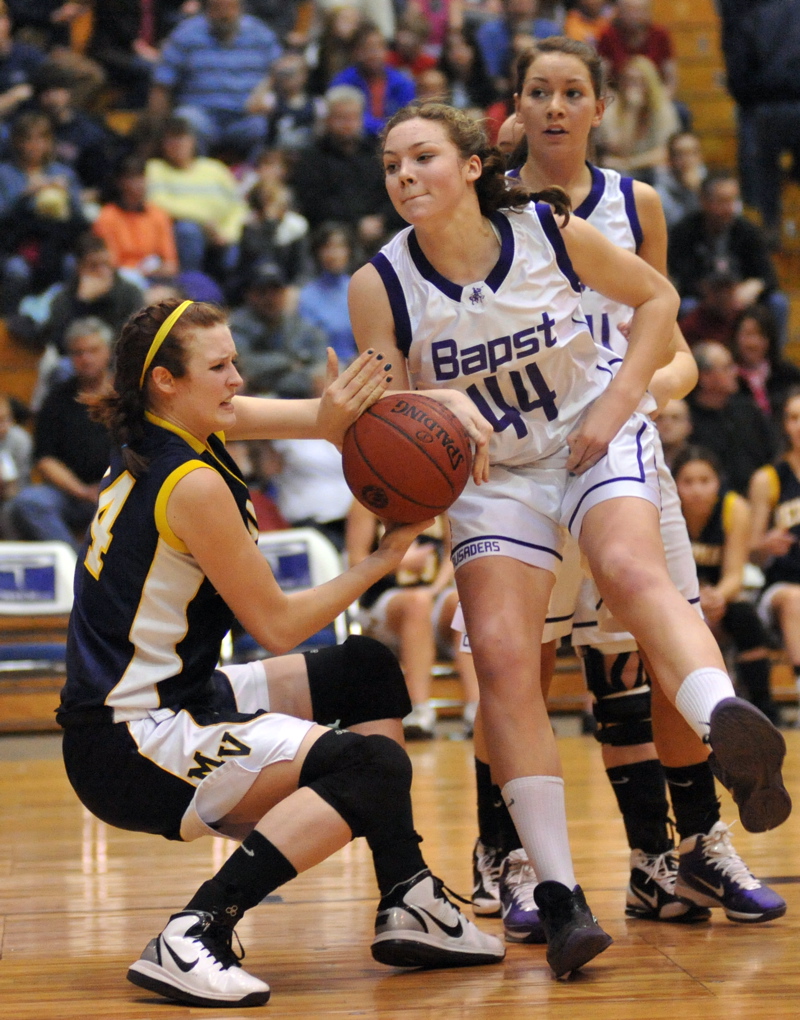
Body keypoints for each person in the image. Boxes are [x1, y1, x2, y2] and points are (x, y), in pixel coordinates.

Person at [349, 96, 790, 977]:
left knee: (629, 568)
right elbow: (385, 404)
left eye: (422, 158)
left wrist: (623, 403)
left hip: (594, 429)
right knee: (507, 660)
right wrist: (444, 404)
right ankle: (559, 893)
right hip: (494, 475)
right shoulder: (381, 284)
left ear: (472, 166)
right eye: (393, 164)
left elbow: (659, 300)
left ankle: (724, 724)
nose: (405, 176)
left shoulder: (550, 235)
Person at [56, 298, 505, 1010]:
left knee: (366, 670)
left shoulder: (181, 425)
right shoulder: (193, 483)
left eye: (236, 360)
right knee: (371, 764)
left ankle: (408, 895)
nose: (238, 377)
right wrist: (381, 560)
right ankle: (196, 930)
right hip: (133, 742)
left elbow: (324, 421)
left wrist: (434, 399)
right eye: (221, 365)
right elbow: (279, 624)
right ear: (167, 382)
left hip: (179, 694)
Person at [469, 37, 783, 938]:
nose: (557, 107)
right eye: (539, 93)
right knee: (515, 667)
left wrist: (649, 388)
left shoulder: (635, 202)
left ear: (604, 106)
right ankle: (510, 856)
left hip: (617, 447)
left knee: (655, 647)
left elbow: (666, 332)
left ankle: (692, 851)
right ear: (517, 105)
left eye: (574, 92)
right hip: (520, 457)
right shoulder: (488, 198)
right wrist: (494, 153)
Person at [674, 445, 779, 723]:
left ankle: (763, 707)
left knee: (745, 617)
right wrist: (695, 602)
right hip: (677, 600)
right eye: (688, 482)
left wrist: (715, 598)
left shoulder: (734, 508)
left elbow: (735, 574)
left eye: (705, 481)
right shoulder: (665, 512)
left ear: (718, 483)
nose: (697, 490)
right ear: (674, 484)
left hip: (719, 597)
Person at [6, 317, 112, 551]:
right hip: (70, 493)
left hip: (118, 490)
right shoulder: (56, 399)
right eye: (78, 353)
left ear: (108, 351)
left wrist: (109, 488)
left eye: (93, 350)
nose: (86, 359)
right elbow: (44, 458)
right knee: (29, 502)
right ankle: (74, 564)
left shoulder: (128, 397)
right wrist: (82, 491)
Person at [668, 171, 789, 347]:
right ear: (704, 201)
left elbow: (768, 277)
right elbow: (680, 276)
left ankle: (773, 364)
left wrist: (753, 287)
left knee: (778, 303)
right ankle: (692, 361)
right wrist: (713, 295)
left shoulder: (749, 231)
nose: (729, 208)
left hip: (740, 299)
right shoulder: (684, 231)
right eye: (722, 201)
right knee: (686, 305)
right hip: (703, 300)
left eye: (733, 200)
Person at [148, 0, 282, 156]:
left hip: (245, 117)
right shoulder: (185, 35)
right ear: (207, 10)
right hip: (201, 115)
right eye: (217, 8)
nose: (224, 15)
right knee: (186, 120)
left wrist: (267, 98)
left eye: (230, 8)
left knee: (262, 126)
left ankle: (252, 176)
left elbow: (280, 71)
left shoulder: (261, 35)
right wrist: (155, 128)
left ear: (240, 9)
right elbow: (162, 83)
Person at [291, 85, 399, 252]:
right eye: (340, 118)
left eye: (352, 118)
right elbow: (313, 203)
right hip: (335, 229)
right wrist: (357, 223)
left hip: (381, 226)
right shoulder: (312, 156)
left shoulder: (381, 152)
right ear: (327, 120)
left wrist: (381, 220)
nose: (347, 125)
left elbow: (396, 190)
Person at [749, 387, 800, 714]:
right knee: (795, 598)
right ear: (784, 425)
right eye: (795, 418)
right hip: (779, 587)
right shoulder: (768, 479)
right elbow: (749, 549)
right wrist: (765, 544)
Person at [145, 116, 247, 277]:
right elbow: (157, 202)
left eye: (181, 138)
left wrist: (227, 233)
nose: (177, 145)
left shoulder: (215, 169)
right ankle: (190, 284)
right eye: (171, 140)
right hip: (183, 232)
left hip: (220, 232)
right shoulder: (156, 168)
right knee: (187, 230)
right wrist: (204, 221)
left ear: (192, 141)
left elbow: (238, 206)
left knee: (244, 240)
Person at [687, 341, 776, 495]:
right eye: (727, 367)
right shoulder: (687, 417)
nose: (735, 372)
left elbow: (772, 452)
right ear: (704, 377)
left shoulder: (748, 409)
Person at [92, 155, 179, 280]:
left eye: (142, 177)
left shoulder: (158, 215)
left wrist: (152, 271)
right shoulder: (107, 217)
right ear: (120, 182)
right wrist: (136, 272)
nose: (139, 184)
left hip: (155, 277)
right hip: (121, 279)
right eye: (132, 178)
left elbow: (170, 265)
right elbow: (110, 263)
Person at [594, 55, 679, 183]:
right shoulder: (612, 110)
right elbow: (618, 150)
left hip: (652, 169)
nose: (632, 86)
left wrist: (628, 163)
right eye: (628, 80)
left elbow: (664, 153)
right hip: (623, 170)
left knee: (661, 173)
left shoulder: (663, 109)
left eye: (639, 81)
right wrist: (631, 112)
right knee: (617, 174)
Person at [330, 22, 416, 137]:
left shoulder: (401, 82)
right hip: (356, 141)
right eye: (367, 48)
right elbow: (343, 119)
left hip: (395, 138)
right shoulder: (342, 82)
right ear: (355, 52)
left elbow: (409, 117)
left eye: (379, 47)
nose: (374, 54)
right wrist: (385, 127)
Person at [297, 222, 358, 364]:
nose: (333, 254)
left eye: (339, 247)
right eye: (327, 247)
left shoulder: (358, 288)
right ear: (318, 253)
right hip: (321, 368)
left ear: (349, 251)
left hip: (358, 364)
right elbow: (307, 343)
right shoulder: (307, 296)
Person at [731, 304, 800, 423]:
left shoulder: (789, 375)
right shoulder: (728, 378)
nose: (753, 343)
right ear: (736, 337)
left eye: (760, 335)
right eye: (747, 334)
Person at [653, 131, 706, 230]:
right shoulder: (659, 195)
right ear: (670, 159)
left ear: (700, 156)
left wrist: (700, 191)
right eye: (680, 154)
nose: (687, 160)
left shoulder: (712, 186)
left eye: (692, 153)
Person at [654, 397, 691, 470]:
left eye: (675, 417)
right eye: (660, 418)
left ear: (689, 425)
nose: (667, 424)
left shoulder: (700, 461)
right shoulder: (639, 460)